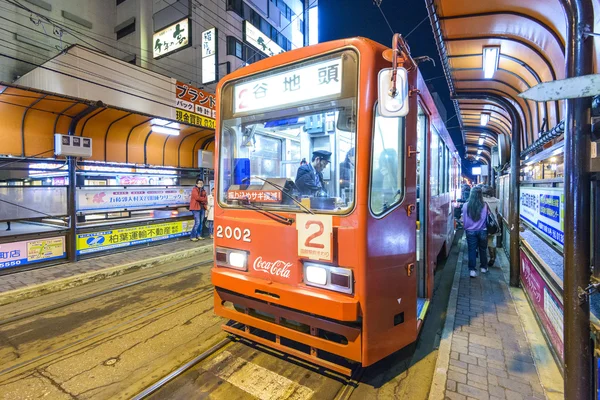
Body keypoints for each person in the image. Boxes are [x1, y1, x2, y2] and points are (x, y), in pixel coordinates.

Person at [462, 186, 488, 278]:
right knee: (483, 249)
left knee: (472, 250)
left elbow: (464, 219)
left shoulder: (466, 205)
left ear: (471, 194)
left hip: (470, 231)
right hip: (482, 230)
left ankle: (472, 270)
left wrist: (466, 228)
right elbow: (486, 218)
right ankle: (483, 267)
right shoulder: (485, 205)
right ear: (481, 195)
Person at [483, 185, 500, 267]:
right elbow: (499, 212)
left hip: (482, 224)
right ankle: (492, 258)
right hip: (492, 224)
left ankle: (483, 260)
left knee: (481, 241)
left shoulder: (481, 201)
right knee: (490, 241)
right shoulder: (497, 201)